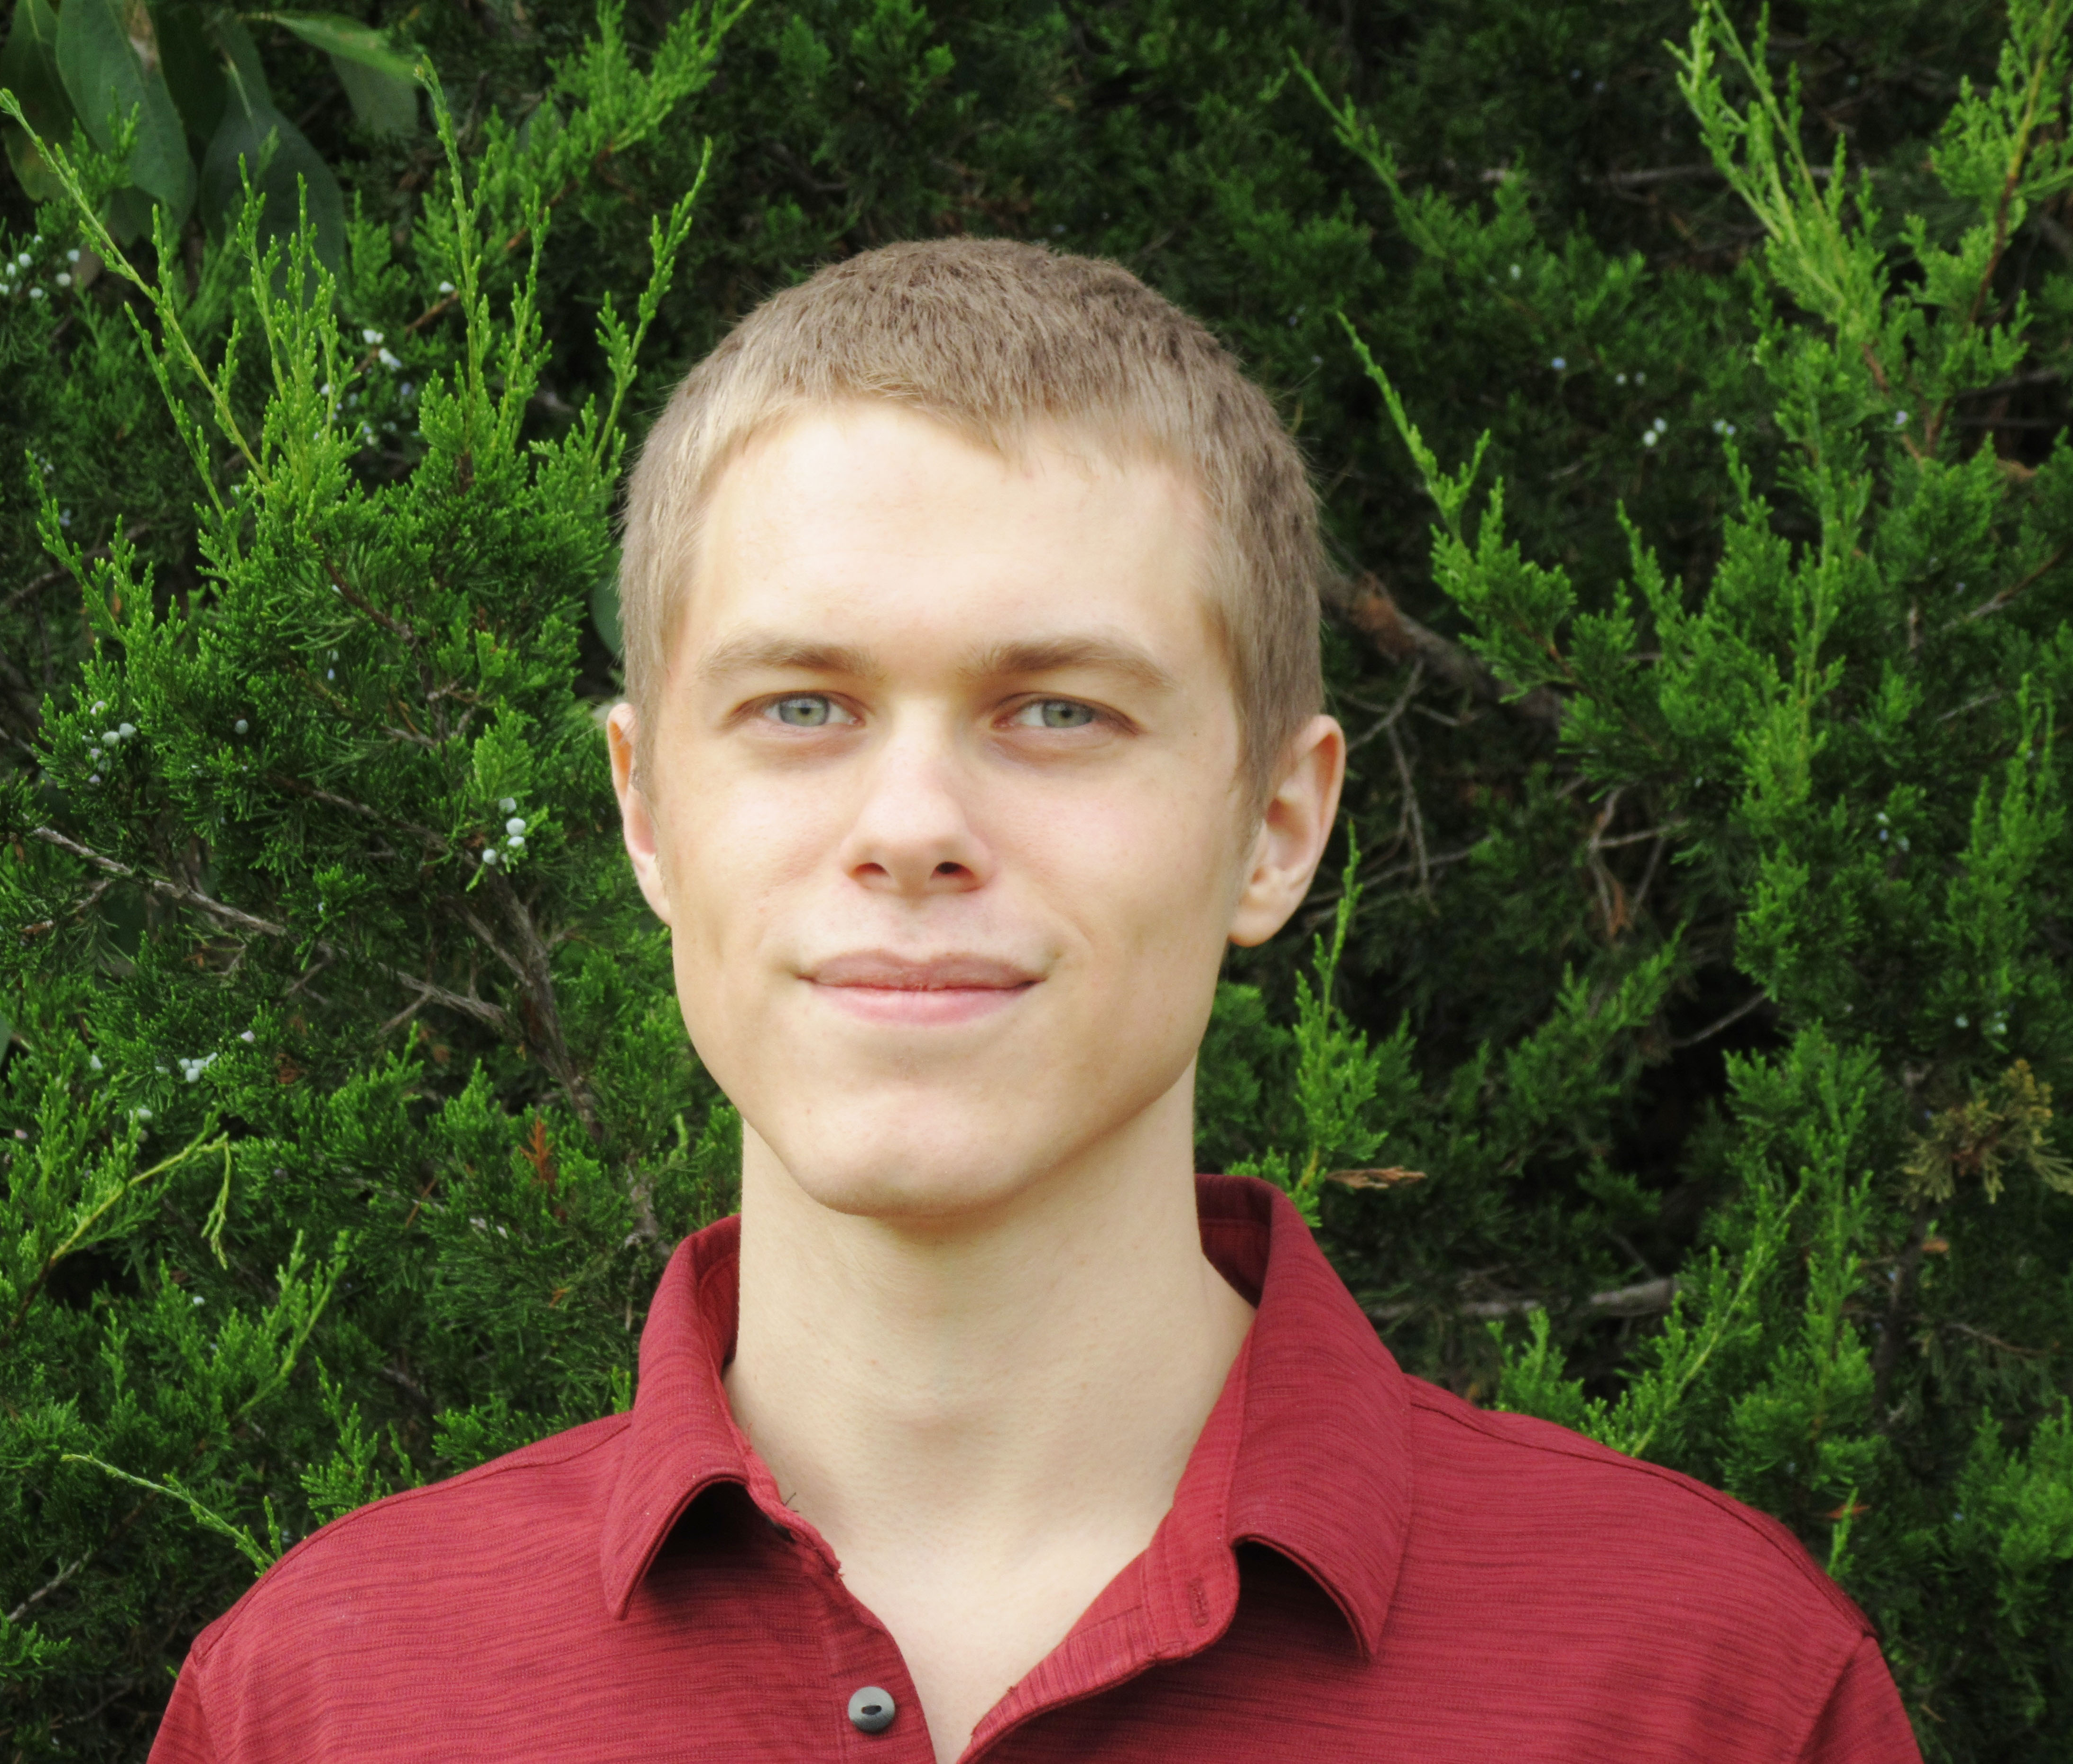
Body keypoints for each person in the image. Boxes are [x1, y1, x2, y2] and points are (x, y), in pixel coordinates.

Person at [149, 240, 1921, 1764]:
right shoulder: (324, 1696)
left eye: (1057, 710)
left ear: (1275, 829)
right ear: (644, 813)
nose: (912, 827)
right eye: (799, 707)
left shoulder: (1706, 1690)